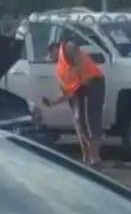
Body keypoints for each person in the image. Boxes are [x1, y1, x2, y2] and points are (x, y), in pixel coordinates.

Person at [38, 33, 107, 168]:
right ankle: (86, 158)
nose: (51, 59)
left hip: (93, 82)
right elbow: (67, 93)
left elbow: (77, 55)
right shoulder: (60, 70)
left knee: (91, 118)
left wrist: (83, 74)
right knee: (79, 120)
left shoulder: (66, 49)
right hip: (79, 87)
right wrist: (52, 103)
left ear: (54, 49)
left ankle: (95, 158)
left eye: (51, 54)